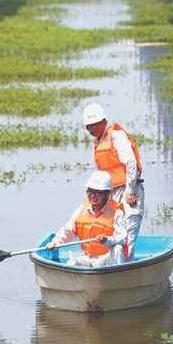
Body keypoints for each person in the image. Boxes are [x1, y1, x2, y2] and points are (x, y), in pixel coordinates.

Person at [83, 103, 144, 260]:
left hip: (129, 190)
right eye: (90, 126)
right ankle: (111, 266)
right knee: (114, 232)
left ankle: (125, 270)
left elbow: (131, 163)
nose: (93, 128)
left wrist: (130, 191)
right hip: (111, 193)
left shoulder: (116, 135)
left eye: (96, 124)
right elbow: (101, 174)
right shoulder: (98, 143)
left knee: (128, 235)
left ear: (104, 121)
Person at [46, 171, 128, 267]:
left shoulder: (116, 212)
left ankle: (119, 278)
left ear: (107, 193)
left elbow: (122, 238)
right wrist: (55, 242)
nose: (92, 196)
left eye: (97, 192)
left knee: (117, 248)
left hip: (107, 258)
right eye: (90, 192)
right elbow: (68, 230)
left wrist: (107, 241)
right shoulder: (82, 209)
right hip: (88, 258)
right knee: (71, 263)